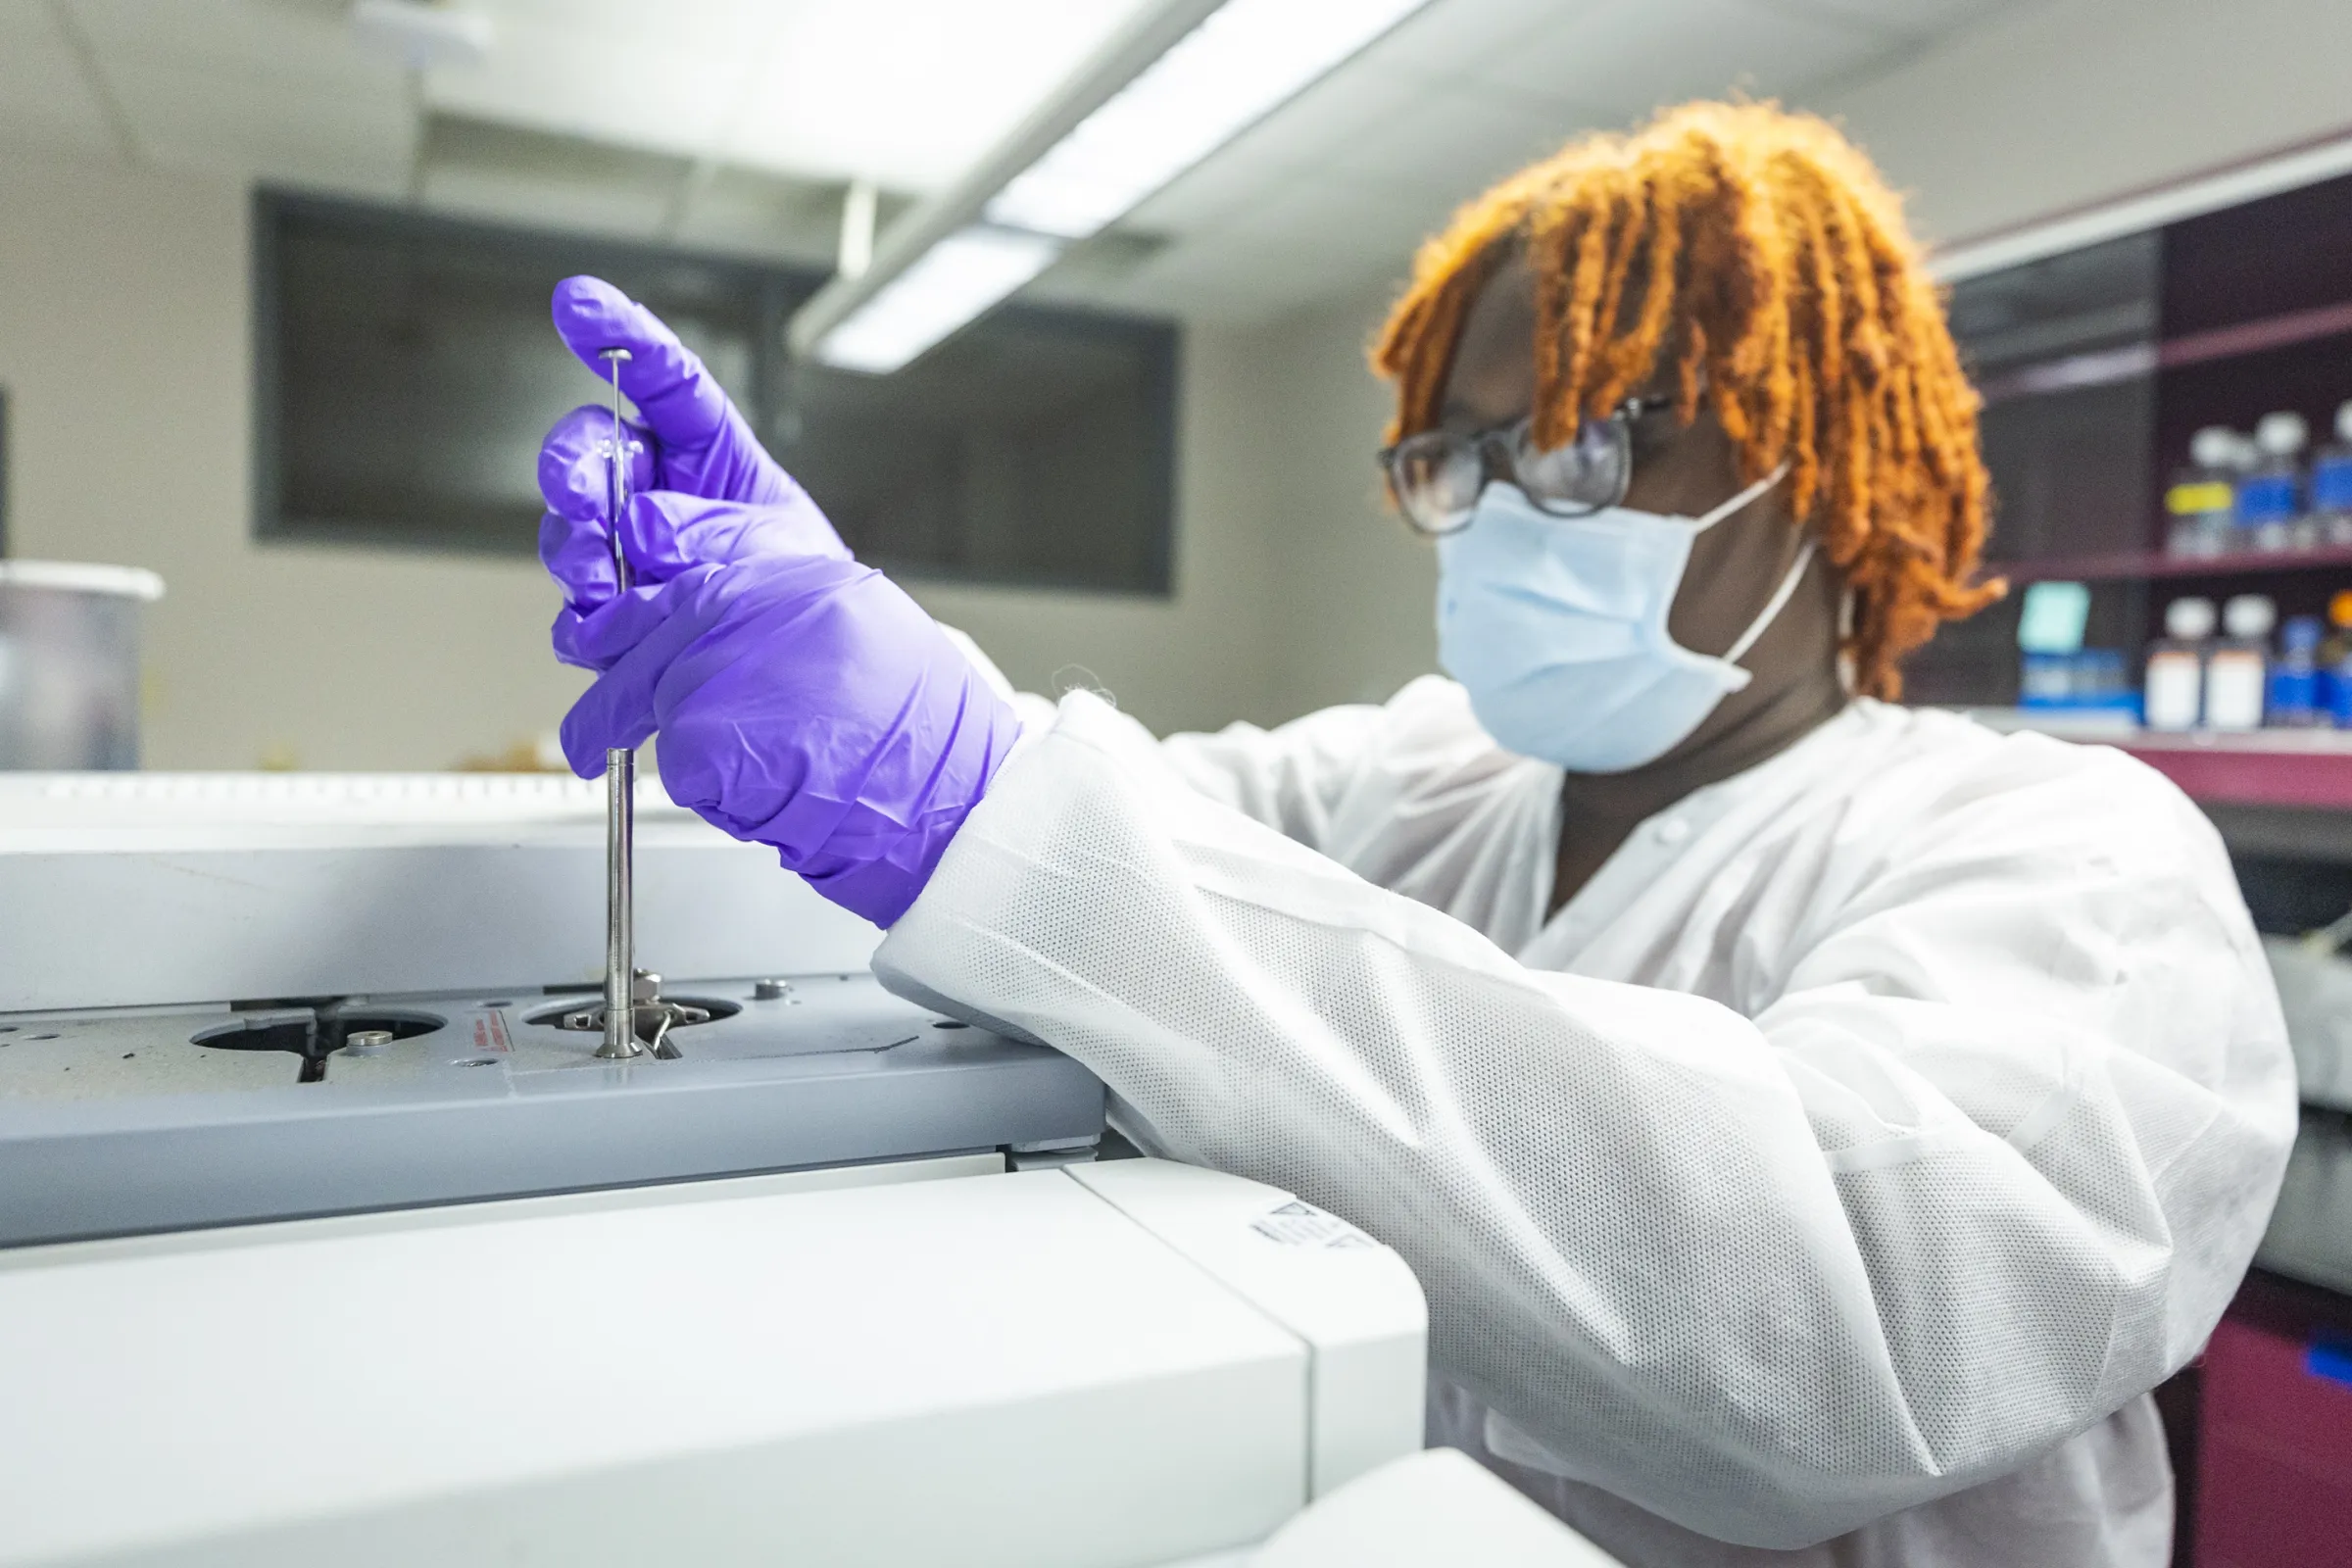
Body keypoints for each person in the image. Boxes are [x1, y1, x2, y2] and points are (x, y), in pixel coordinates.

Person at [533, 102, 2295, 1568]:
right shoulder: (1420, 783)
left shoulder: (2071, 856)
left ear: (1819, 458)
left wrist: (973, 788)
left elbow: (1850, 1336)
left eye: (1596, 439)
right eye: (1463, 458)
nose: (1510, 513)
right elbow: (1097, 857)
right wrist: (832, 669)